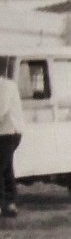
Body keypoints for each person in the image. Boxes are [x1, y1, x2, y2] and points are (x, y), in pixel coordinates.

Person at [0, 59, 24, 218]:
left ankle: (4, 204)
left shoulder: (5, 86)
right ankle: (10, 203)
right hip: (5, 133)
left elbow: (1, 110)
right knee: (6, 167)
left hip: (9, 133)